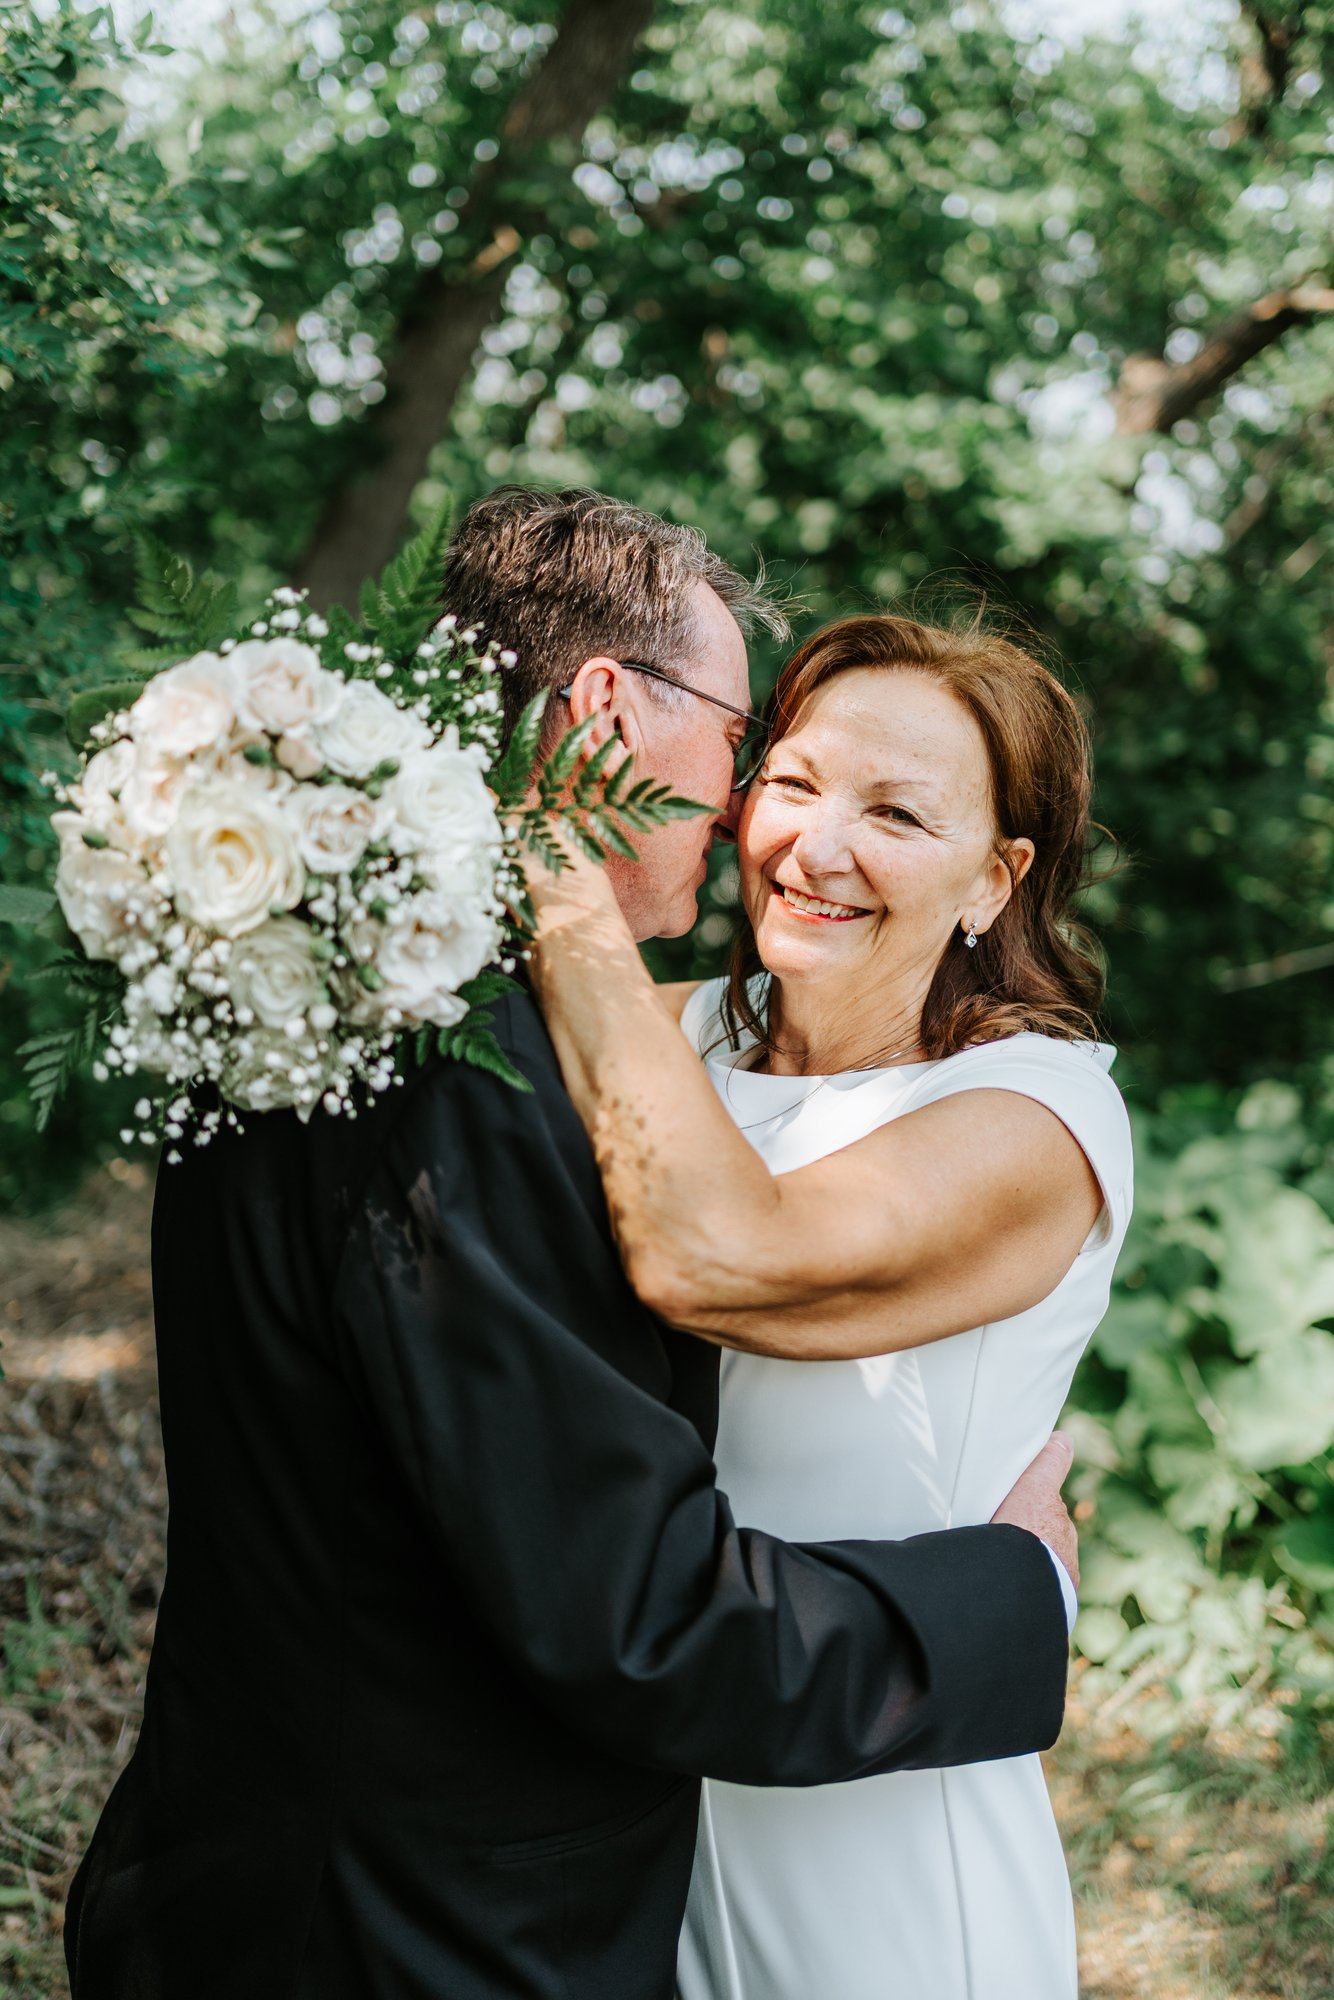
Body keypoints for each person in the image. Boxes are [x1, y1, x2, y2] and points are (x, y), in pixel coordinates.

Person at [65, 492, 1079, 2000]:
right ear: (605, 708)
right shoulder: (471, 1066)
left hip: (289, 1867)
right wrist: (1015, 1596)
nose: (747, 813)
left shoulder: (307, 978)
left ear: (994, 876)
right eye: (752, 751)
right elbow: (641, 1621)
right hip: (419, 1936)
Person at [528, 608, 1134, 1999]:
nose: (818, 846)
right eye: (792, 784)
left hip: (882, 1824)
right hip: (643, 1806)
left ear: (994, 879)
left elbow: (718, 1257)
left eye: (896, 815)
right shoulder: (663, 1035)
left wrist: (556, 874)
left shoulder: (1035, 1116)